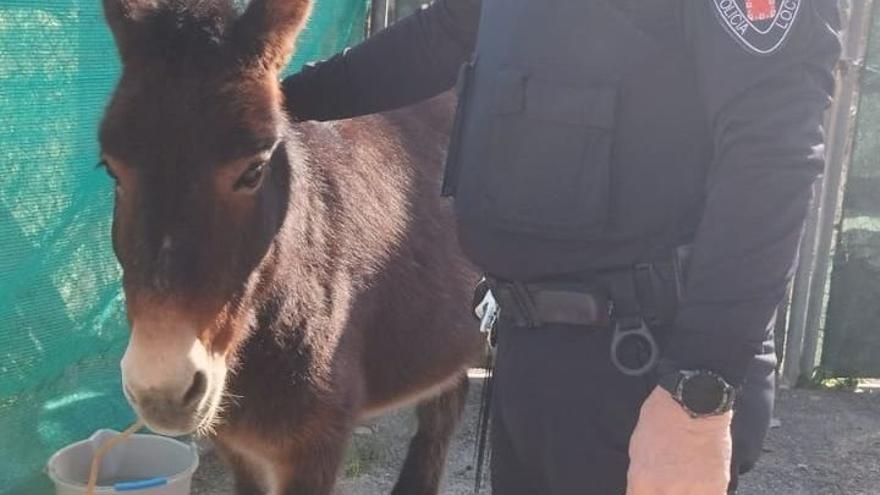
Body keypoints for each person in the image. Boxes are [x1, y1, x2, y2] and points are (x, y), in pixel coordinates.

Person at [282, 1, 842, 493]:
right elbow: (446, 34)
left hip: (645, 368)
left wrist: (697, 397)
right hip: (536, 352)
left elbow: (772, 161)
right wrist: (270, 100)